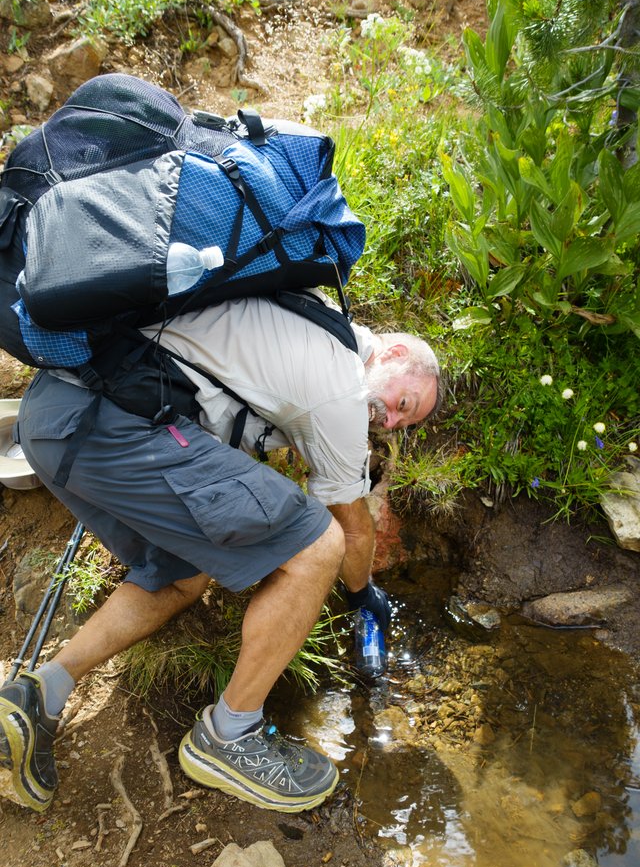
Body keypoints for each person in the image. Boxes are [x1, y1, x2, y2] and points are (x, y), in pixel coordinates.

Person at [0, 294, 440, 814]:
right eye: (402, 404)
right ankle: (230, 735)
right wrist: (363, 593)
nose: (388, 423)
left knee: (179, 574)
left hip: (53, 417)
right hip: (116, 427)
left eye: (401, 425)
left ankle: (39, 694)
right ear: (390, 357)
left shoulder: (309, 326)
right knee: (318, 544)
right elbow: (354, 527)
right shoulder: (340, 386)